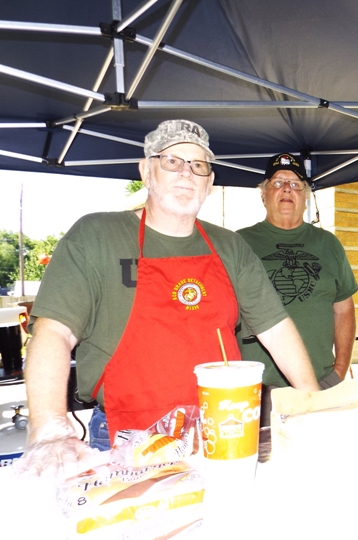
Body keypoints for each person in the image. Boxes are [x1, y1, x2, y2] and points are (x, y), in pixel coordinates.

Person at [17, 120, 319, 478]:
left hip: (223, 432)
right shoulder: (97, 236)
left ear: (209, 182)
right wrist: (49, 428)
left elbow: (276, 329)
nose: (186, 173)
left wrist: (314, 405)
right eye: (172, 161)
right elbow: (54, 332)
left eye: (198, 165)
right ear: (147, 171)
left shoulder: (230, 247)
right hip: (126, 439)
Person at [236, 153, 358, 460]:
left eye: (295, 184)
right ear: (263, 194)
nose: (287, 189)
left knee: (319, 463)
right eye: (278, 183)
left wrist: (340, 370)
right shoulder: (238, 244)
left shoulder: (329, 244)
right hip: (258, 392)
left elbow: (344, 309)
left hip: (320, 385)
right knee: (262, 469)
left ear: (306, 196)